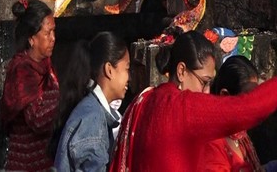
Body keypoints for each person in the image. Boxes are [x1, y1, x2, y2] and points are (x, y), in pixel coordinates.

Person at [109, 31, 277, 172]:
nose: (207, 92)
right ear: (181, 71)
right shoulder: (180, 108)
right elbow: (249, 108)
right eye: (204, 82)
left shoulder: (144, 99)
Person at [52, 32, 130, 171]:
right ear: (109, 70)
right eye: (127, 69)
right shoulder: (93, 118)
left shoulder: (92, 109)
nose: (129, 77)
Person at [0, 0, 59, 172]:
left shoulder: (46, 65)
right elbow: (38, 119)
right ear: (32, 39)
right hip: (25, 164)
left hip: (43, 161)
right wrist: (66, 101)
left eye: (54, 32)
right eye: (48, 33)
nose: (53, 38)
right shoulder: (22, 70)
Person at [198, 55, 274, 172]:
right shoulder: (213, 146)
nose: (255, 106)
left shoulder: (239, 134)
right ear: (225, 95)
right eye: (248, 100)